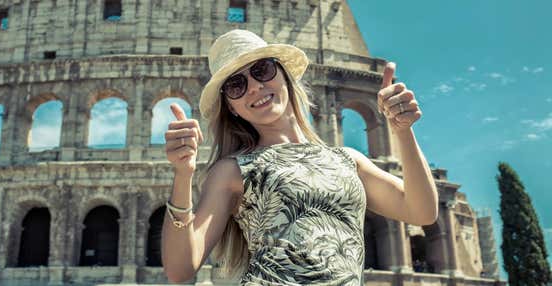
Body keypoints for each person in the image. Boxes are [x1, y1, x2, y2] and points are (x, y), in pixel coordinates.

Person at [161, 29, 438, 285]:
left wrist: (402, 132)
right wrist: (183, 175)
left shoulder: (347, 160)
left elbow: (421, 211)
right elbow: (181, 268)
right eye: (236, 85)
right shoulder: (233, 170)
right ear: (231, 107)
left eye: (262, 70)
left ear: (284, 74)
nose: (254, 87)